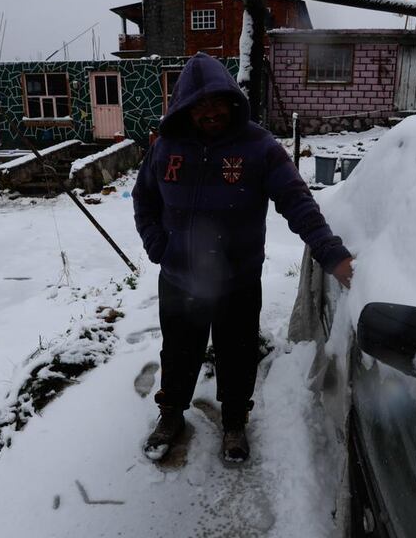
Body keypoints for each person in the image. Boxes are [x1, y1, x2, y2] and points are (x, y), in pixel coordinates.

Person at [132, 52, 353, 463]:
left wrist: (332, 255)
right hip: (180, 280)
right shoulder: (166, 148)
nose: (210, 111)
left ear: (231, 100)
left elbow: (297, 202)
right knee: (178, 352)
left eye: (217, 101)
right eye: (199, 104)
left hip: (237, 280)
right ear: (184, 106)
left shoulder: (259, 147)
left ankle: (234, 422)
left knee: (237, 354)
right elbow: (143, 198)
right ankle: (171, 414)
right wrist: (157, 245)